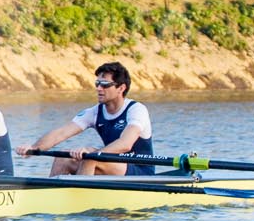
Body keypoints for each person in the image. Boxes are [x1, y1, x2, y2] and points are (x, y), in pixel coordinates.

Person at [21, 61, 155, 175]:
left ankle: (81, 194)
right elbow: (60, 133)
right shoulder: (95, 112)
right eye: (97, 83)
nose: (99, 88)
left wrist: (93, 154)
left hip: (139, 170)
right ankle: (51, 193)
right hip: (112, 165)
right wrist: (34, 147)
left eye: (105, 84)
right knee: (62, 157)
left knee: (90, 157)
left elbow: (125, 144)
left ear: (121, 88)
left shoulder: (136, 110)